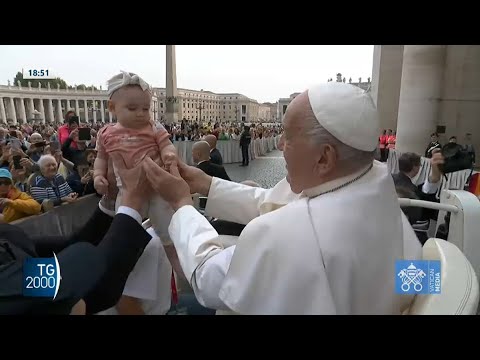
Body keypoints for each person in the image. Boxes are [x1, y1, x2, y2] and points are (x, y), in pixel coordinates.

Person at [142, 82, 421, 315]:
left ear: (324, 158)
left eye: (287, 137)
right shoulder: (375, 187)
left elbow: (208, 278)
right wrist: (206, 184)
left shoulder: (293, 233)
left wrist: (181, 205)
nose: (278, 145)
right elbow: (275, 202)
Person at [0, 157, 155, 315]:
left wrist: (112, 198)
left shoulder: (7, 236)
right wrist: (132, 203)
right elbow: (88, 286)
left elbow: (70, 244)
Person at [94, 71, 178, 247]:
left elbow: (166, 145)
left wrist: (169, 155)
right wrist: (97, 175)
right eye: (132, 109)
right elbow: (101, 158)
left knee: (168, 232)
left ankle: (173, 255)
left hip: (157, 189)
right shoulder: (105, 133)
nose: (141, 113)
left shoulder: (153, 127)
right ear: (112, 107)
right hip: (125, 190)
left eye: (146, 109)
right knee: (124, 233)